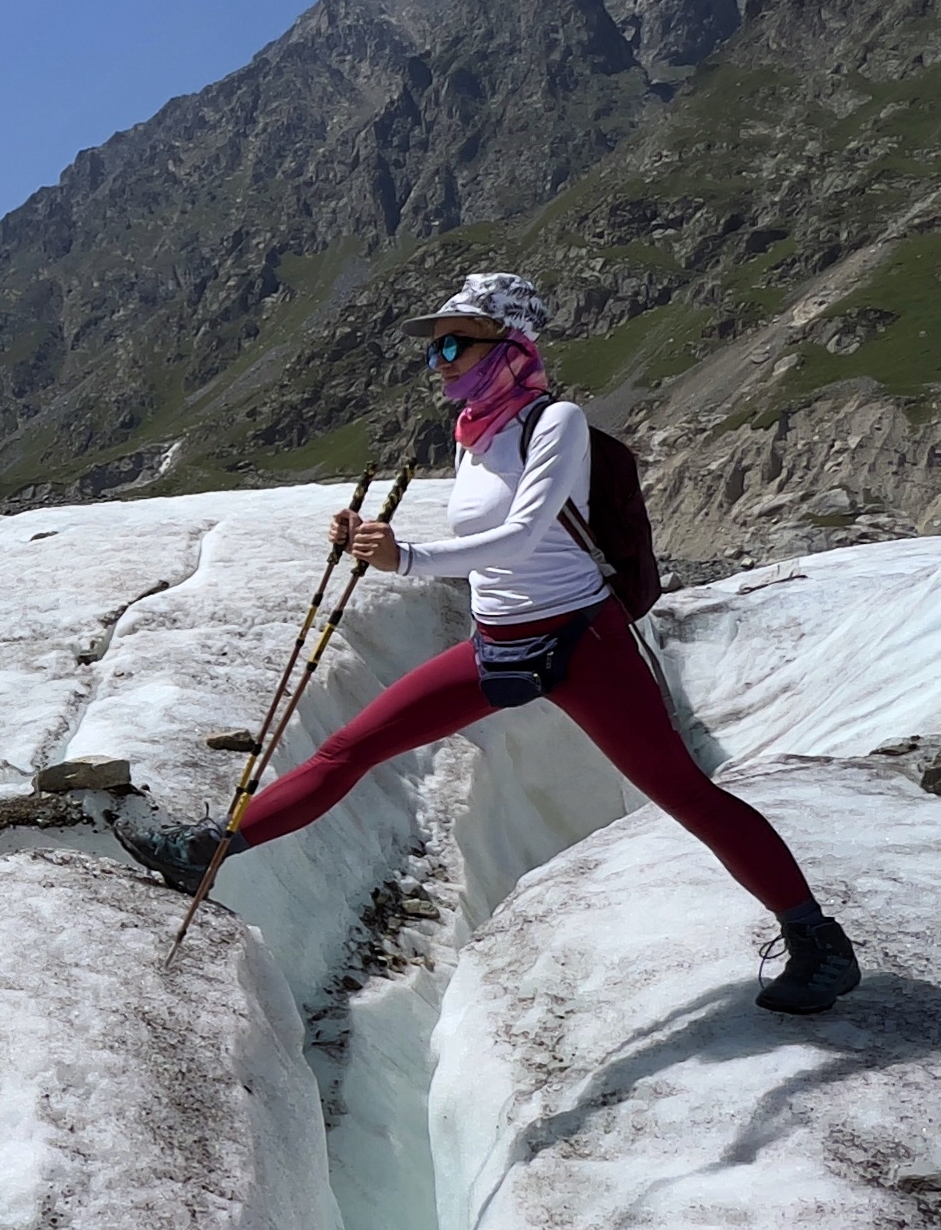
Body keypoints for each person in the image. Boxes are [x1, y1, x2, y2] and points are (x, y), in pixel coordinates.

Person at [129, 272, 861, 1015]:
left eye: (455, 342)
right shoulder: (475, 431)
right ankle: (207, 853)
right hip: (497, 644)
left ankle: (818, 944)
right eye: (433, 348)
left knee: (681, 791)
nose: (439, 359)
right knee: (349, 750)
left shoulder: (557, 422)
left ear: (509, 342)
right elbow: (484, 537)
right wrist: (367, 540)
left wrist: (405, 559)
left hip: (582, 643)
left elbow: (523, 536)